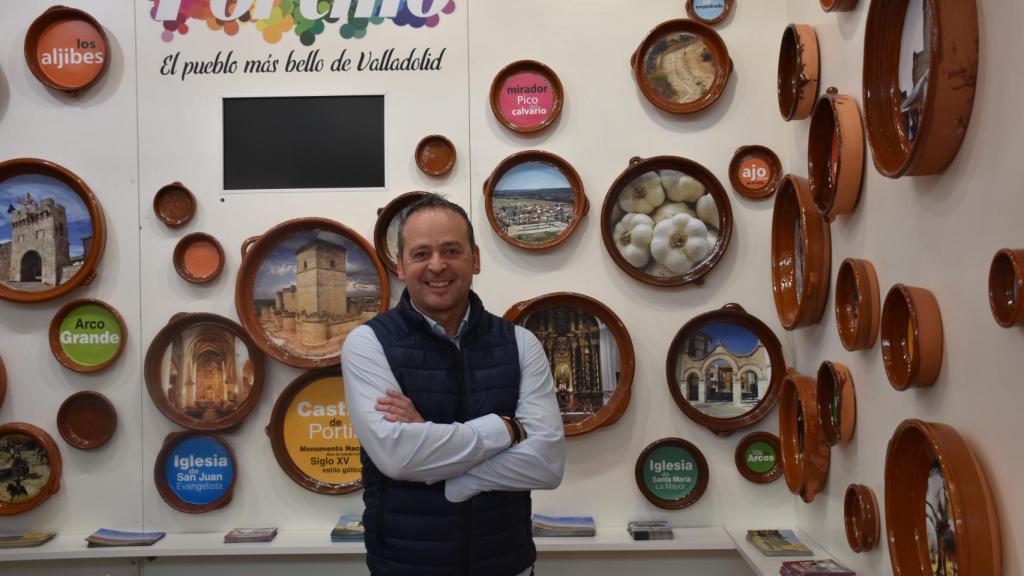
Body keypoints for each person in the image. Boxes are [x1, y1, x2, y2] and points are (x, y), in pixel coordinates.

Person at [342, 193, 565, 576]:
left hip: (507, 564)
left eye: (451, 250)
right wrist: (506, 428)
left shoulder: (520, 343)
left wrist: (444, 460)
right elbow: (397, 456)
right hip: (406, 566)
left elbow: (546, 465)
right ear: (400, 265)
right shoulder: (367, 344)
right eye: (420, 253)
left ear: (475, 259)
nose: (436, 265)